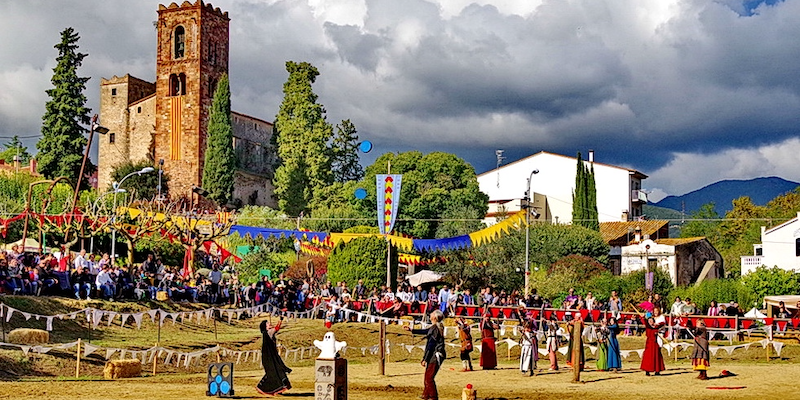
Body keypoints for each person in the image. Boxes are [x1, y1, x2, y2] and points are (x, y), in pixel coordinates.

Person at [405, 310, 445, 400]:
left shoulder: (435, 329)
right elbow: (426, 331)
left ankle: (433, 397)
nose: (430, 314)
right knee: (428, 375)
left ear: (434, 317)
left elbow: (431, 345)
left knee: (429, 378)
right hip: (434, 354)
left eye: (432, 313)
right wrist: (412, 330)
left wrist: (425, 359)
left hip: (435, 355)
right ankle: (426, 395)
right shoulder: (434, 327)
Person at [256, 317, 292, 395]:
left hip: (269, 357)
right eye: (268, 323)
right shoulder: (269, 332)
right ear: (265, 326)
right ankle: (263, 388)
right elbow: (277, 328)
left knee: (276, 371)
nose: (269, 324)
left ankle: (280, 387)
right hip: (271, 358)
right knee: (275, 371)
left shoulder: (266, 334)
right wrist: (280, 320)